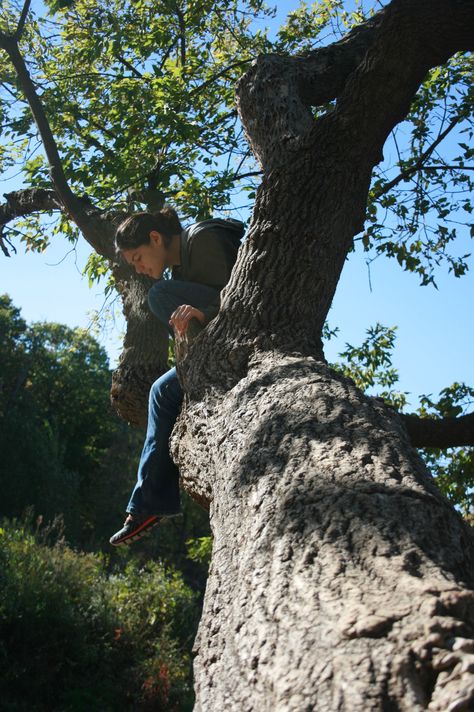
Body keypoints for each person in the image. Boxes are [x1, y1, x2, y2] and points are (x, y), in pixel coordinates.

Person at [109, 207, 244, 546]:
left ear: (156, 238)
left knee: (159, 294)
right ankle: (147, 505)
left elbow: (244, 299)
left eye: (138, 257)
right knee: (160, 392)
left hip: (242, 342)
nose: (139, 268)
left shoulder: (203, 239)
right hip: (212, 351)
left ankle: (201, 369)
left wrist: (205, 312)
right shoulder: (180, 269)